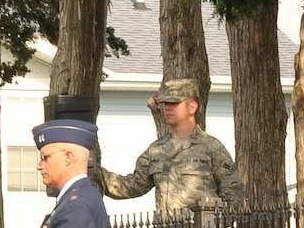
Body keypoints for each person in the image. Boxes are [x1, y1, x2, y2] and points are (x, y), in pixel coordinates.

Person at [100, 79, 245, 212]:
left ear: (192, 107)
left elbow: (234, 194)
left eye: (174, 103)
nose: (168, 108)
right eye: (165, 103)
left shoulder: (211, 148)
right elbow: (133, 185)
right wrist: (96, 173)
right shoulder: (156, 150)